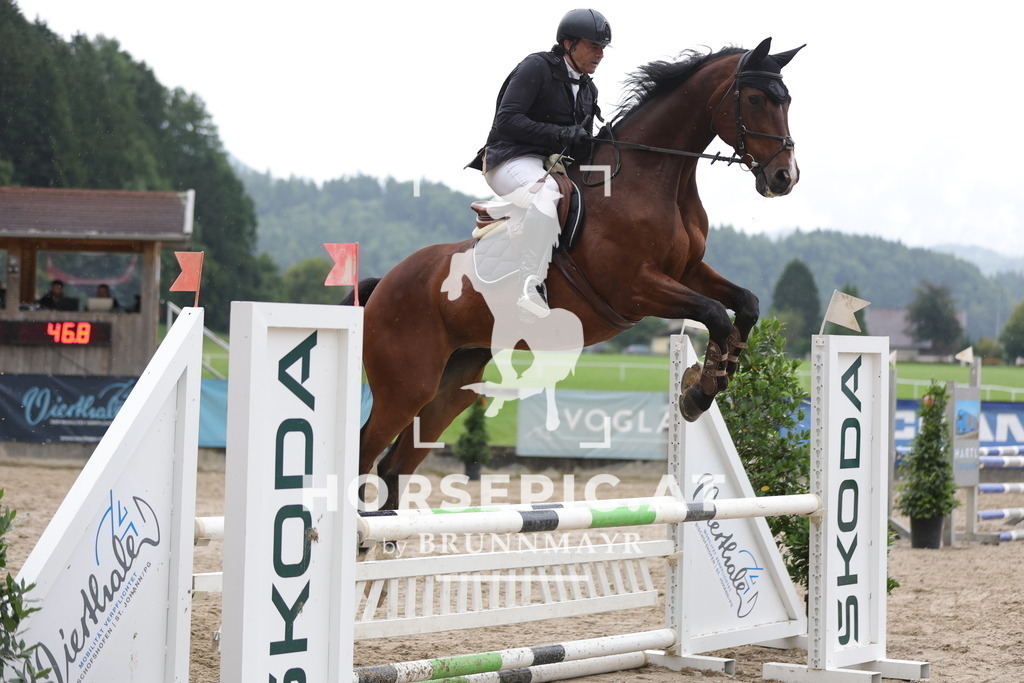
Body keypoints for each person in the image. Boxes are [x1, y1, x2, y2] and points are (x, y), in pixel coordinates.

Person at [468, 8, 611, 321]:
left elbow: (580, 144)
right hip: (509, 159)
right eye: (593, 46)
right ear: (568, 43)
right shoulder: (537, 67)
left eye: (602, 48)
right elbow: (507, 120)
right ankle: (529, 286)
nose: (600, 54)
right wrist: (560, 133)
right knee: (547, 195)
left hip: (550, 167)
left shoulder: (588, 89)